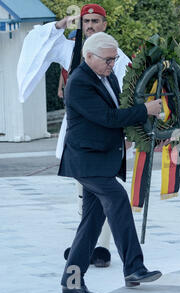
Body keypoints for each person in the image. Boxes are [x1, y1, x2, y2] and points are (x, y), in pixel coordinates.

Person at [17, 4, 127, 267]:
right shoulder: (68, 48)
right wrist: (61, 23)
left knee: (105, 189)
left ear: (105, 24)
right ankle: (85, 245)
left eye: (95, 21)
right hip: (77, 128)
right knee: (84, 190)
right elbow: (37, 42)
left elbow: (125, 95)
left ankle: (103, 248)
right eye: (86, 21)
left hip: (106, 128)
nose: (89, 25)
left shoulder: (117, 55)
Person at [59, 32, 163, 293]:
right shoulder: (80, 81)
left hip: (100, 159)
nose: (111, 64)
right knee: (117, 200)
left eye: (114, 59)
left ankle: (71, 283)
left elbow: (116, 109)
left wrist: (132, 134)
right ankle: (134, 268)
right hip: (87, 161)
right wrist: (145, 111)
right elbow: (106, 117)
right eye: (108, 59)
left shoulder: (106, 75)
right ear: (89, 56)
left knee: (91, 223)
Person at [57, 30, 77, 99]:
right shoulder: (65, 53)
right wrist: (59, 89)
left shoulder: (82, 53)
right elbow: (62, 72)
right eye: (73, 38)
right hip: (67, 87)